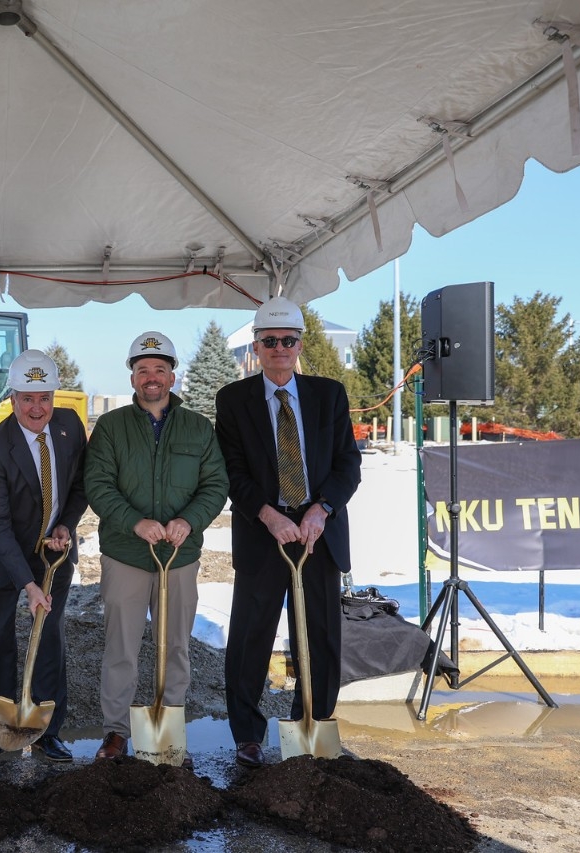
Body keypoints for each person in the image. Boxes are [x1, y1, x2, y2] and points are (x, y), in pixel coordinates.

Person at [215, 296, 362, 769]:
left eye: (288, 341)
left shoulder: (329, 395)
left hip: (317, 535)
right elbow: (231, 471)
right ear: (256, 347)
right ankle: (247, 737)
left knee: (319, 637)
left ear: (300, 345)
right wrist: (268, 515)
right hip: (264, 533)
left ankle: (312, 722)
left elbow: (347, 466)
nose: (279, 348)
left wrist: (320, 510)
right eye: (269, 341)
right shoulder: (233, 400)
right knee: (249, 639)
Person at [83, 332, 229, 762]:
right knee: (121, 647)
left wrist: (189, 520)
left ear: (172, 375)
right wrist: (134, 522)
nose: (151, 377)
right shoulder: (111, 426)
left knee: (177, 646)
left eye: (159, 369)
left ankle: (168, 725)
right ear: (132, 376)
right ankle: (116, 732)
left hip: (180, 555)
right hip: (127, 554)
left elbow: (215, 484)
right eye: (143, 369)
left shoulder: (198, 427)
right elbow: (98, 483)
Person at [0, 350, 88, 762]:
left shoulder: (70, 427)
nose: (37, 407)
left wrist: (66, 525)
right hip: (3, 559)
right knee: (0, 637)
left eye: (44, 397)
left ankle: (48, 731)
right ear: (12, 400)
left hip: (52, 555)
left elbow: (80, 485)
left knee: (50, 638)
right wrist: (27, 584)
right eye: (27, 398)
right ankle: (1, 727)